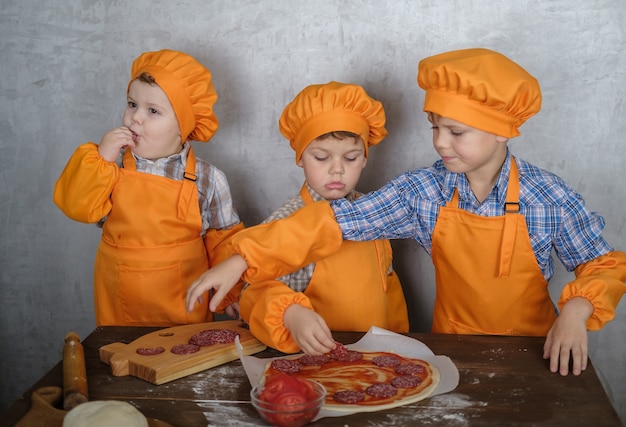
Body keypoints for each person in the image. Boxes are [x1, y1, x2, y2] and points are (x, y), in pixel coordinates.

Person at [184, 48, 626, 375]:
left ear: (501, 131)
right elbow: (334, 220)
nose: (439, 143)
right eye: (434, 127)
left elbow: (602, 264)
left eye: (455, 131)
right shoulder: (422, 193)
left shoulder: (548, 196)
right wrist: (244, 258)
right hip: (452, 355)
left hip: (538, 353)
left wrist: (576, 311)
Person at [187, 82, 409, 354]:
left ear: (364, 158)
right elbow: (254, 294)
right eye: (321, 157)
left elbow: (389, 291)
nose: (337, 170)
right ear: (300, 157)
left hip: (375, 361)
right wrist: (290, 315)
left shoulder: (374, 214)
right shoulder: (285, 221)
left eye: (350, 158)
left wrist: (400, 348)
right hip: (315, 364)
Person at [54, 49, 244, 326]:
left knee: (182, 359)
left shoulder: (207, 178)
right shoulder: (111, 166)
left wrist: (231, 294)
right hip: (118, 299)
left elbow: (223, 241)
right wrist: (99, 160)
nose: (135, 118)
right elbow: (77, 206)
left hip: (184, 302)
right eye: (132, 104)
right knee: (122, 359)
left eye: (153, 111)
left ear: (184, 124)